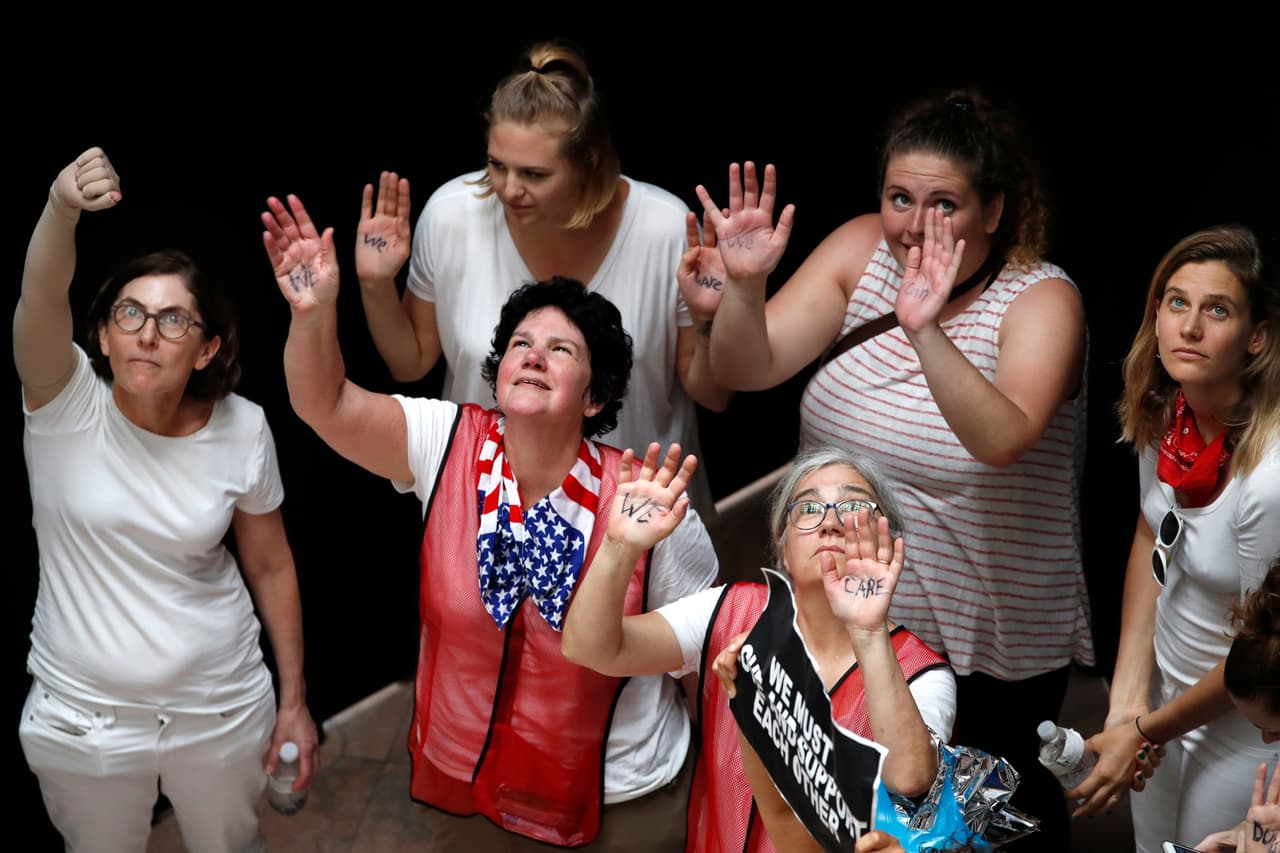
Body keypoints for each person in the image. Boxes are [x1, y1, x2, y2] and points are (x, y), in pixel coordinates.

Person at [261, 192, 717, 850]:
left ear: (596, 396)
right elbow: (324, 403)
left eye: (561, 349)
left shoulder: (647, 500)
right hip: (466, 784)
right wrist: (312, 313)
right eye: (521, 343)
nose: (533, 355)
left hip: (619, 793)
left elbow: (703, 659)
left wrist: (719, 785)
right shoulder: (445, 439)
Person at [699, 89, 1090, 847]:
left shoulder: (1040, 297)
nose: (915, 224)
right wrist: (744, 287)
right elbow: (745, 367)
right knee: (867, 809)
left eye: (944, 204)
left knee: (984, 822)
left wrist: (925, 328)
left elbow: (1003, 438)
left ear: (994, 211)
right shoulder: (860, 250)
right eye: (900, 197)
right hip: (856, 611)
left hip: (988, 635)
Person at [16, 148, 317, 852]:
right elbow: (41, 297)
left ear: (207, 349)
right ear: (101, 333)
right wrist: (61, 206)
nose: (149, 333)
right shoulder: (62, 401)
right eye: (131, 313)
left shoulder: (243, 427)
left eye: (175, 319)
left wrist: (296, 700)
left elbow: (270, 565)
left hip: (220, 709)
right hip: (81, 719)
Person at [354, 40, 730, 515]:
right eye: (497, 165)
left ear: (589, 159)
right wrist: (374, 284)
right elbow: (409, 363)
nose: (509, 189)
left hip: (639, 515)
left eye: (534, 174)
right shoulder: (452, 216)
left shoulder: (664, 228)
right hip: (487, 514)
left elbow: (714, 394)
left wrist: (711, 317)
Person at [563, 446, 956, 852]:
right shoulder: (730, 610)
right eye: (809, 509)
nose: (831, 523)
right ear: (782, 546)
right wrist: (620, 546)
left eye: (854, 506)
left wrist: (869, 631)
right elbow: (590, 648)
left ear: (888, 540)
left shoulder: (923, 671)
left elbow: (910, 779)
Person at [1071, 225, 1280, 852]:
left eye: (1217, 310)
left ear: (1256, 336)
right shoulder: (1170, 412)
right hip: (1164, 694)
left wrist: (1146, 730)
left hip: (1245, 721)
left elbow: (1264, 650)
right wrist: (1128, 703)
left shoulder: (1268, 480)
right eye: (1177, 302)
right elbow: (1150, 535)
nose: (1189, 327)